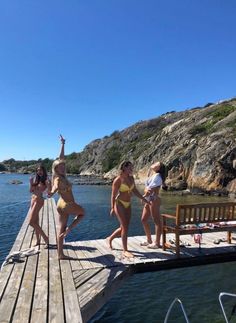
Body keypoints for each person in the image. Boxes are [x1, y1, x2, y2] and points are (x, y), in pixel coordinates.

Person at [48, 135, 85, 259]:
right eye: (60, 167)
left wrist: (62, 144)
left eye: (63, 166)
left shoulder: (60, 175)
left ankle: (60, 254)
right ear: (56, 169)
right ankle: (68, 231)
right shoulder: (58, 178)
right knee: (82, 213)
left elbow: (61, 158)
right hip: (67, 204)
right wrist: (51, 192)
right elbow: (55, 187)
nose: (63, 167)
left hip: (61, 204)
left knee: (60, 231)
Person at [107, 161, 149, 258]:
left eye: (132, 167)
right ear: (124, 168)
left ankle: (110, 238)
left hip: (128, 204)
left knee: (124, 227)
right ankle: (125, 250)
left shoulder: (131, 178)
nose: (132, 169)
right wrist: (112, 207)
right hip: (119, 204)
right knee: (124, 227)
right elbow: (113, 195)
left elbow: (134, 190)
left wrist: (144, 199)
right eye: (130, 167)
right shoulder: (118, 180)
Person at [140, 161, 166, 249]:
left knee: (157, 221)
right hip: (149, 200)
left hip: (153, 199)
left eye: (157, 164)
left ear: (159, 168)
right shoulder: (153, 175)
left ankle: (157, 243)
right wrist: (145, 194)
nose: (154, 163)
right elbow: (147, 188)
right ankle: (149, 240)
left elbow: (150, 190)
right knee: (143, 219)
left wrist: (144, 196)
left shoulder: (158, 177)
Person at [29, 164, 51, 246]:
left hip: (39, 200)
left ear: (44, 171)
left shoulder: (46, 180)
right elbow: (31, 190)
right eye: (37, 170)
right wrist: (31, 183)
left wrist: (48, 186)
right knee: (35, 221)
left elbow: (49, 194)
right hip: (33, 199)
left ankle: (45, 238)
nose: (39, 172)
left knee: (31, 222)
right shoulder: (36, 179)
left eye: (40, 170)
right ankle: (38, 240)